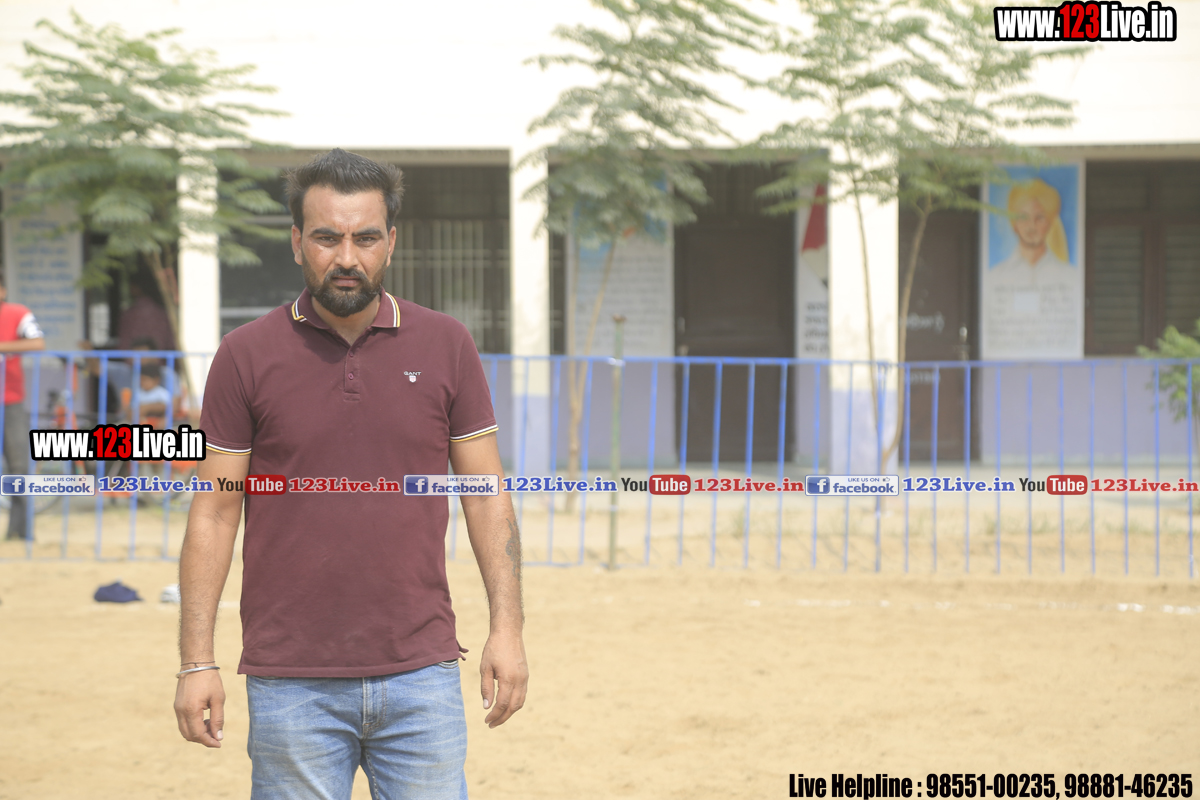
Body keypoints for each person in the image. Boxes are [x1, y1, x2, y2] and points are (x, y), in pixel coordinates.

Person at [173, 149, 527, 800]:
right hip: (291, 682)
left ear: (391, 241)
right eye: (326, 237)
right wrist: (196, 661)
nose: (346, 257)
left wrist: (507, 630)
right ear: (295, 242)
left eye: (364, 238)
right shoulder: (245, 355)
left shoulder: (446, 344)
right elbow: (215, 511)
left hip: (421, 675)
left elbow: (485, 497)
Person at [982, 177, 1083, 358]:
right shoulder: (994, 276)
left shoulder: (1070, 276)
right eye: (1023, 217)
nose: (1031, 226)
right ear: (1014, 224)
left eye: (1040, 218)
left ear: (1050, 222)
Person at [0, 274, 45, 541]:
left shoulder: (17, 313)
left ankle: (21, 530)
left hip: (10, 401)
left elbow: (37, 342)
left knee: (18, 466)